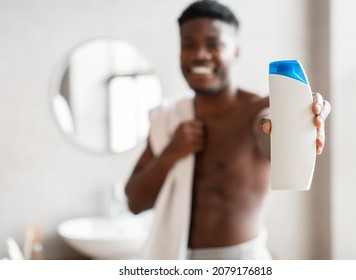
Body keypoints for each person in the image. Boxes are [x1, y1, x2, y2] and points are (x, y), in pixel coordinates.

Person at [125, 0, 331, 260]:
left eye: (214, 44)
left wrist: (295, 128)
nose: (200, 54)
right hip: (176, 260)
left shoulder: (258, 110)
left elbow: (268, 131)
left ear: (235, 52)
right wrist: (171, 153)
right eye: (189, 45)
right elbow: (134, 202)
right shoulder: (170, 119)